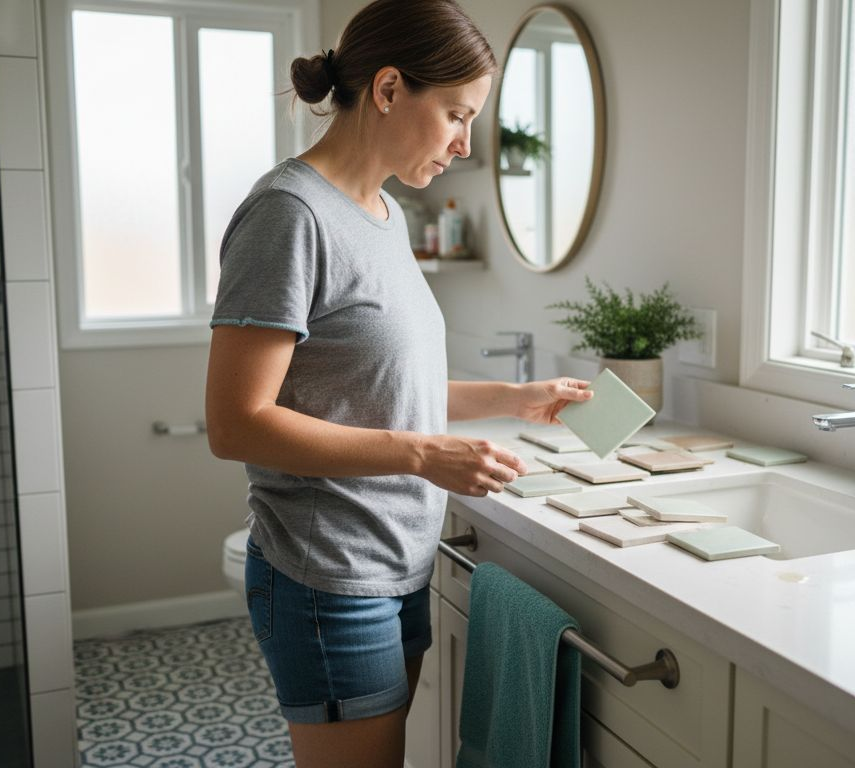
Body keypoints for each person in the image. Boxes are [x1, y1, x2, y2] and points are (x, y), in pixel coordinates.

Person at [204, 1, 593, 765]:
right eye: (456, 113)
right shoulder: (290, 214)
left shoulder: (381, 213)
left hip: (394, 564)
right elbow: (236, 423)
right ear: (387, 90)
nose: (464, 143)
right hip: (330, 577)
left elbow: (386, 384)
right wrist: (420, 455)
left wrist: (516, 398)